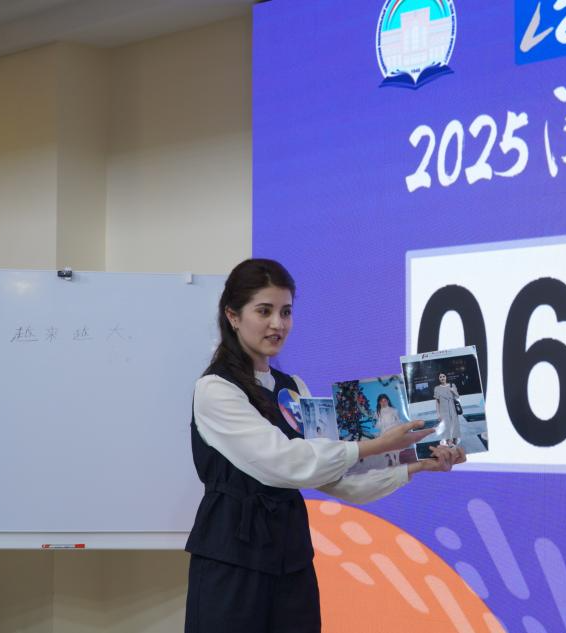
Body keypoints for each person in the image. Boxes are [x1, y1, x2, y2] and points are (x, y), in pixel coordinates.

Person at [184, 258, 465, 633]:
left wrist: (417, 462)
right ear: (233, 316)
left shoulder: (293, 387)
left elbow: (338, 477)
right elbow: (285, 462)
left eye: (286, 312)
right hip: (232, 558)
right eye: (264, 311)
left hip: (290, 557)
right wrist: (372, 445)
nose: (278, 324)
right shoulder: (216, 389)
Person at [433, 372, 463, 446]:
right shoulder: (437, 388)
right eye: (440, 377)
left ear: (446, 377)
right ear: (438, 378)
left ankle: (455, 441)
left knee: (455, 425)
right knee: (446, 426)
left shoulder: (452, 385)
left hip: (453, 408)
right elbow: (437, 402)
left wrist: (453, 391)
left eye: (443, 376)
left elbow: (457, 396)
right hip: (443, 410)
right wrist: (438, 414)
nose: (442, 378)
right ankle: (448, 441)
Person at [375, 394, 405, 466]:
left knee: (396, 446)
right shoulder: (378, 412)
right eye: (381, 401)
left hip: (393, 429)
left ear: (388, 401)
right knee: (389, 447)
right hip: (384, 431)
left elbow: (398, 420)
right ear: (379, 402)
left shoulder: (393, 410)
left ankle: (397, 460)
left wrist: (400, 428)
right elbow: (379, 423)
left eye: (385, 401)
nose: (383, 403)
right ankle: (393, 460)